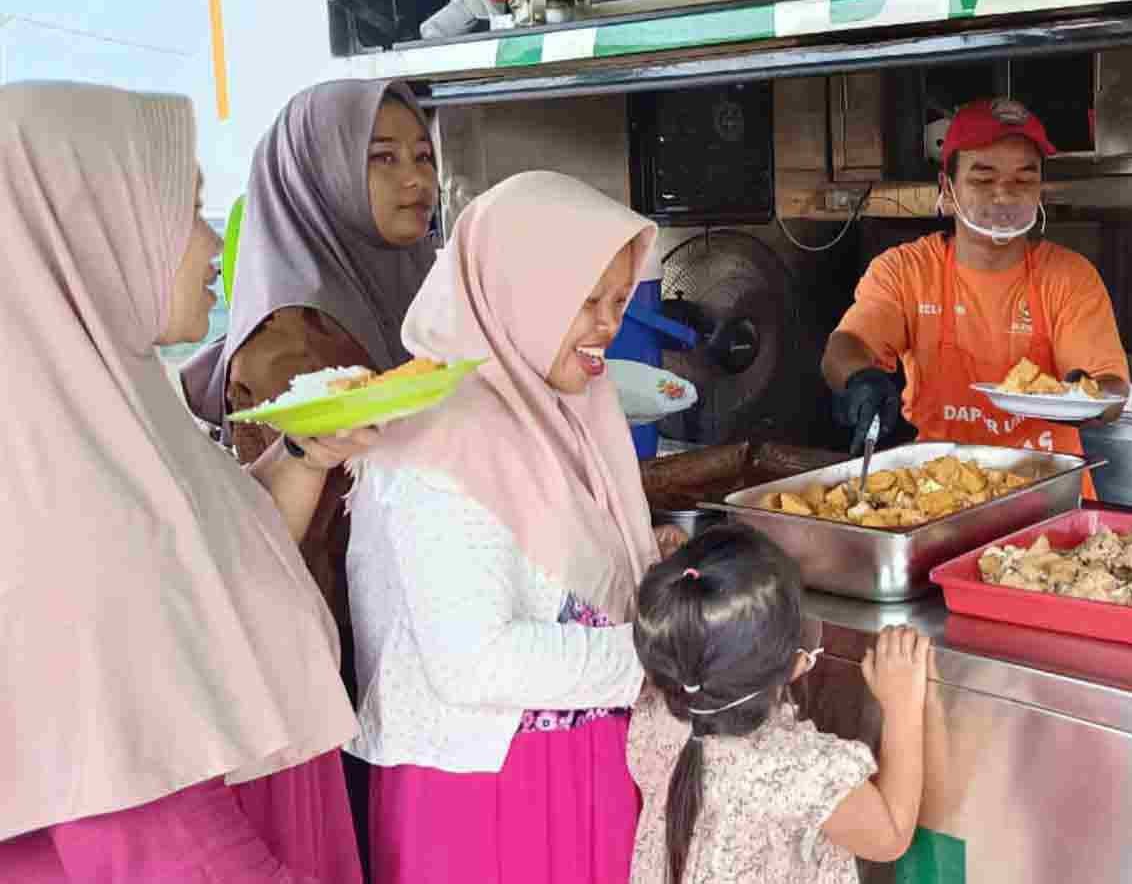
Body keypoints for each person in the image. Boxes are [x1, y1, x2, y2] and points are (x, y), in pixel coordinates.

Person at [0, 82, 376, 881]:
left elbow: (199, 583)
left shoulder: (111, 421)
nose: (212, 245)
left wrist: (305, 453)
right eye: (187, 210)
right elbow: (155, 838)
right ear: (91, 229)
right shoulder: (58, 504)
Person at [345, 170, 663, 884]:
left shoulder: (567, 409)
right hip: (484, 796)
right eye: (586, 301)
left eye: (618, 300)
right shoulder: (441, 436)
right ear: (521, 290)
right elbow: (474, 661)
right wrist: (658, 658)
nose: (608, 325)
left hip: (586, 776)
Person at [181, 79, 439, 676]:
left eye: (423, 156)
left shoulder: (414, 285)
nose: (416, 179)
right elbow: (299, 537)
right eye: (383, 158)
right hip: (347, 659)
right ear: (320, 175)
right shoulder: (291, 339)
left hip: (417, 629)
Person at [820, 98, 1131, 489]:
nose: (1004, 194)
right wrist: (860, 378)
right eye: (983, 179)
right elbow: (846, 345)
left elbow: (1114, 388)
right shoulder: (905, 271)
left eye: (1023, 179)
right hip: (940, 492)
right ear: (946, 189)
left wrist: (1085, 399)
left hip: (1050, 494)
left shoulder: (1070, 277)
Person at [629, 525, 928, 884]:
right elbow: (890, 836)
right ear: (796, 663)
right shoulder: (796, 768)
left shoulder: (652, 716)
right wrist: (902, 706)